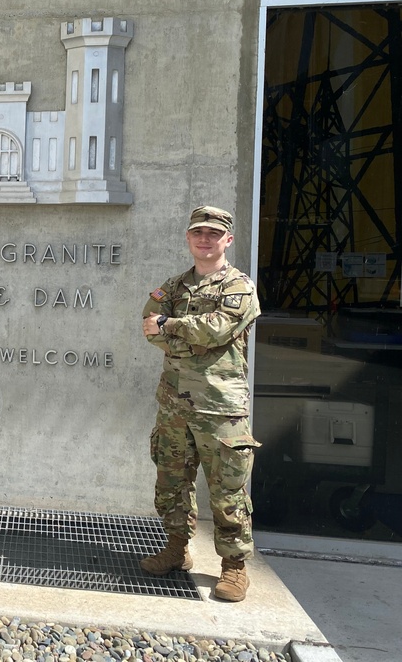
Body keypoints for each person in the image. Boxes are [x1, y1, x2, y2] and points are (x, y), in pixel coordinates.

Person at [140, 205, 261, 602]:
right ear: (189, 238)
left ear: (227, 239)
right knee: (172, 483)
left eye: (213, 233)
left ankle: (234, 567)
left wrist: (172, 326)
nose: (204, 239)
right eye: (198, 233)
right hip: (175, 404)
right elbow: (148, 326)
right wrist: (179, 330)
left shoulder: (239, 286)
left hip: (220, 408)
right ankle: (177, 550)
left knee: (228, 492)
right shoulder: (173, 287)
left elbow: (216, 330)